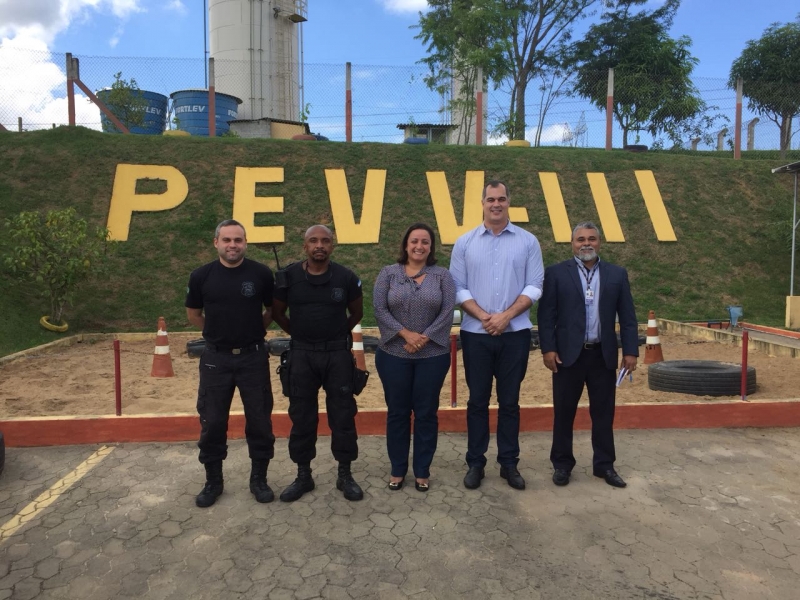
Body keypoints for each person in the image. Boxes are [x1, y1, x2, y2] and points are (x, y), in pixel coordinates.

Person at [449, 180, 544, 491]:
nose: (496, 204)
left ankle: (509, 463)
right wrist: (485, 317)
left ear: (509, 201)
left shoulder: (528, 242)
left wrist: (504, 317)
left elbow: (534, 286)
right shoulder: (464, 243)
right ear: (483, 202)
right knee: (477, 401)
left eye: (502, 198)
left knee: (510, 402)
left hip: (514, 334)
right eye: (491, 199)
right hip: (476, 335)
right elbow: (457, 287)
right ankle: (476, 463)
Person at [537, 222, 638, 488]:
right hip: (568, 357)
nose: (586, 243)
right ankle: (562, 465)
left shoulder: (616, 274)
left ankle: (604, 466)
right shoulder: (557, 273)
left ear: (599, 242)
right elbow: (546, 315)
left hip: (602, 356)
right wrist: (548, 348)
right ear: (572, 244)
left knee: (604, 414)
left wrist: (630, 351)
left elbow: (627, 317)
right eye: (580, 239)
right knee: (563, 413)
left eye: (591, 238)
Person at [185, 219, 276, 508]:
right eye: (227, 240)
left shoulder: (261, 274)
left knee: (260, 421)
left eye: (238, 240)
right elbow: (193, 314)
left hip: (253, 357)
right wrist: (217, 334)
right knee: (212, 422)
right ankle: (213, 482)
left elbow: (272, 309)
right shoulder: (201, 276)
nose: (232, 245)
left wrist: (253, 330)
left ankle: (259, 480)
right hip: (216, 359)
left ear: (245, 243)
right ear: (216, 243)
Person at [272, 224, 365, 502]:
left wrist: (334, 335)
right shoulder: (288, 277)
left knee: (343, 415)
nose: (319, 245)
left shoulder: (346, 277)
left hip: (337, 355)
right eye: (313, 241)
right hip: (301, 355)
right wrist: (301, 336)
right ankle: (303, 475)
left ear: (332, 246)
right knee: (301, 416)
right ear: (305, 246)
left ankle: (345, 474)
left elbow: (356, 313)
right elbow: (278, 313)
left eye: (325, 241)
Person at [373, 223, 456, 492]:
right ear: (406, 245)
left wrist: (423, 338)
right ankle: (398, 469)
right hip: (394, 354)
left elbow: (447, 311)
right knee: (397, 413)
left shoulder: (442, 276)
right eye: (414, 241)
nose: (419, 246)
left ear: (431, 247)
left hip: (432, 355)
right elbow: (379, 308)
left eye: (425, 242)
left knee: (426, 413)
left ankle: (422, 471)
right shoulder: (388, 273)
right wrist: (406, 335)